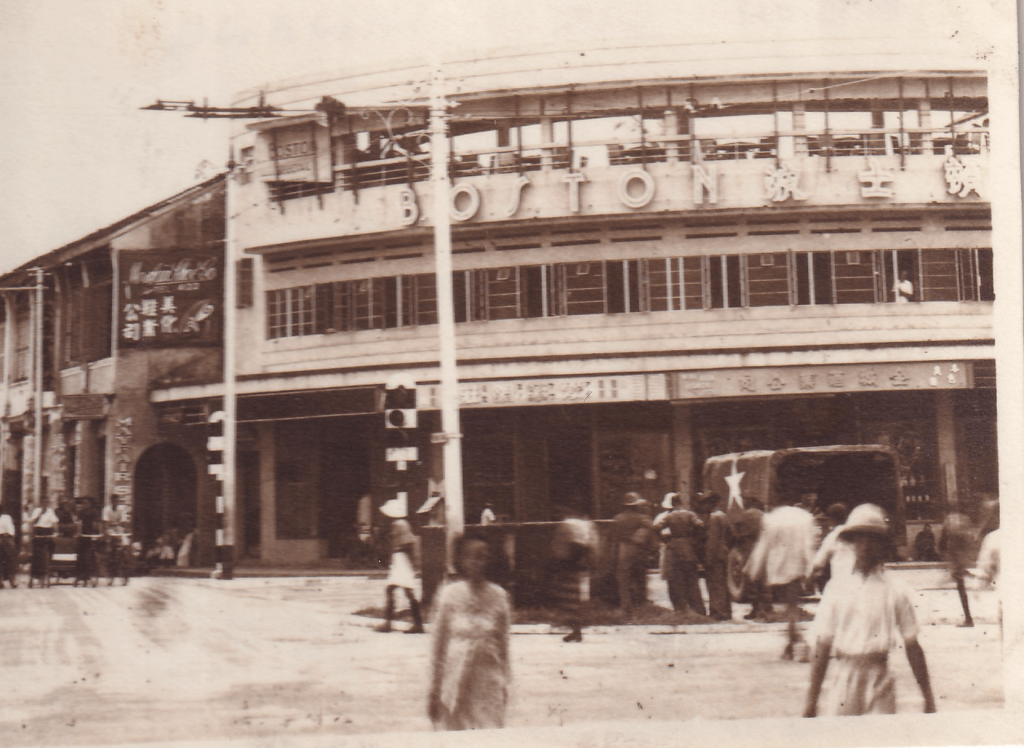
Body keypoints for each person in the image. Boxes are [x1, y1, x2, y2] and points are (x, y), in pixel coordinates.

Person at [804, 503, 936, 717]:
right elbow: (823, 644)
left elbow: (912, 645)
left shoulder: (895, 589)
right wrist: (811, 701)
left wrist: (928, 697)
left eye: (873, 539)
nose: (865, 545)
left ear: (883, 545)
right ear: (852, 543)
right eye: (860, 538)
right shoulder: (837, 587)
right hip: (844, 676)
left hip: (879, 676)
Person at [429, 532, 511, 731]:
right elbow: (438, 647)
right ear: (461, 560)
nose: (479, 562)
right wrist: (434, 689)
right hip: (454, 685)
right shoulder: (449, 595)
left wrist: (505, 683)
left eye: (484, 555)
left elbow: (504, 647)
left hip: (488, 686)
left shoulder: (499, 596)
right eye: (473, 556)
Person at [746, 500, 816, 659]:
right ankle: (794, 641)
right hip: (798, 567)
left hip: (778, 568)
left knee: (790, 607)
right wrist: (810, 569)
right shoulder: (805, 517)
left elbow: (764, 544)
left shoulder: (771, 518)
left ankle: (793, 643)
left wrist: (755, 568)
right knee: (792, 606)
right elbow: (808, 545)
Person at [376, 495, 425, 634]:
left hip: (401, 560)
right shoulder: (401, 524)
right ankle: (415, 623)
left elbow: (407, 544)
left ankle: (390, 624)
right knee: (399, 590)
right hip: (400, 560)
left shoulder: (398, 524)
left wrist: (408, 562)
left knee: (396, 590)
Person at [549, 507, 598, 642]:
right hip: (580, 565)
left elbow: (574, 546)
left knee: (571, 599)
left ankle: (576, 630)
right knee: (575, 599)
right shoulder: (584, 525)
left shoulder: (570, 525)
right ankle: (576, 630)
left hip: (571, 565)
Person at [654, 493, 705, 616]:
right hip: (688, 548)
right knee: (692, 581)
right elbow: (701, 525)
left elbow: (655, 527)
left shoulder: (669, 516)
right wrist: (694, 539)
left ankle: (681, 610)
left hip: (674, 550)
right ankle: (698, 610)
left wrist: (664, 539)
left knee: (677, 581)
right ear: (681, 502)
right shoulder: (690, 514)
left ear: (672, 504)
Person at [611, 492, 654, 614]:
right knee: (640, 577)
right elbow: (651, 529)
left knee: (623, 579)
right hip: (639, 549)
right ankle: (641, 604)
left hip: (623, 549)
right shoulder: (642, 518)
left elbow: (614, 537)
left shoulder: (618, 518)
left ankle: (626, 607)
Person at [939, 512, 975, 627]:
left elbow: (942, 541)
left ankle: (968, 619)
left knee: (961, 586)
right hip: (962, 555)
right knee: (960, 584)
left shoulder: (949, 520)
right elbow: (970, 539)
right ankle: (968, 618)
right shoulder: (965, 519)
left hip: (956, 555)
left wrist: (943, 553)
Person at [700, 493, 732, 621]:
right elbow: (731, 534)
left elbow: (712, 540)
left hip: (715, 555)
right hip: (724, 553)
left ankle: (717, 612)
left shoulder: (713, 517)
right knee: (723, 584)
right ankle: (726, 611)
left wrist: (708, 558)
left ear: (710, 504)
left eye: (705, 504)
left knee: (715, 584)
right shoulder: (723, 515)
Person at [810, 503, 854, 592]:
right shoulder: (856, 534)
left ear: (830, 519)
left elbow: (818, 563)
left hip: (839, 582)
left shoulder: (833, 536)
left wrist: (809, 577)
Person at [75, 496, 101, 586]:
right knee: (81, 555)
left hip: (91, 535)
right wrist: (78, 533)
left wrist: (96, 532)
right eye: (83, 503)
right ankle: (80, 575)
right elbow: (79, 523)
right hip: (83, 535)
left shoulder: (94, 512)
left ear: (90, 504)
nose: (84, 505)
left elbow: (96, 524)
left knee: (90, 555)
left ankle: (89, 573)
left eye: (86, 503)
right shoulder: (80, 512)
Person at [0, 506, 17, 588]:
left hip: (6, 537)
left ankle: (12, 579)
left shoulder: (6, 518)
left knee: (11, 556)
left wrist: (6, 538)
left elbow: (11, 530)